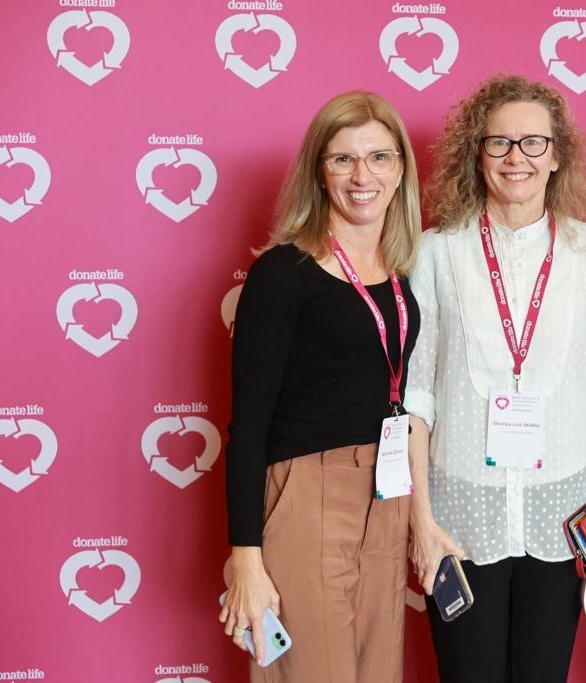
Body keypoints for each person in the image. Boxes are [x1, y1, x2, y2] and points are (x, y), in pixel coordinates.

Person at [404, 74, 586, 683]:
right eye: (498, 143)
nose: (516, 158)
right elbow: (417, 399)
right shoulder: (435, 250)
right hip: (459, 516)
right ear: (475, 154)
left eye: (533, 143)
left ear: (557, 155)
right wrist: (422, 523)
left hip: (558, 513)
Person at [218, 91, 422, 683]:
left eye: (379, 158)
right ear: (318, 170)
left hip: (387, 496)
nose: (364, 176)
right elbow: (249, 424)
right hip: (309, 494)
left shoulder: (403, 271)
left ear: (401, 166)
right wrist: (247, 562)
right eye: (343, 159)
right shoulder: (282, 273)